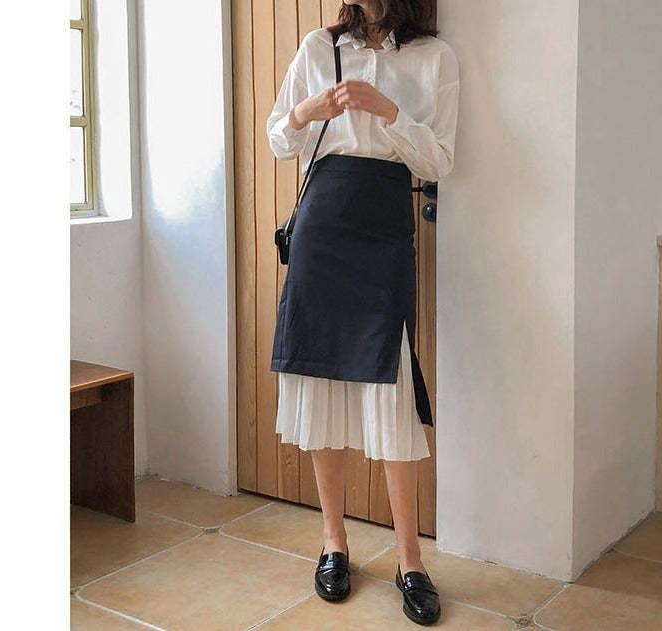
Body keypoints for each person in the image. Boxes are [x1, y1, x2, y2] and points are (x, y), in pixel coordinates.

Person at [266, 0, 459, 625]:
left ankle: (410, 561)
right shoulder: (318, 46)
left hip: (382, 225)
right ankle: (334, 543)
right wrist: (307, 111)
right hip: (322, 222)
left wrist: (388, 111)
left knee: (391, 382)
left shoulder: (433, 56)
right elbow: (280, 139)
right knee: (321, 375)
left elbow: (439, 161)